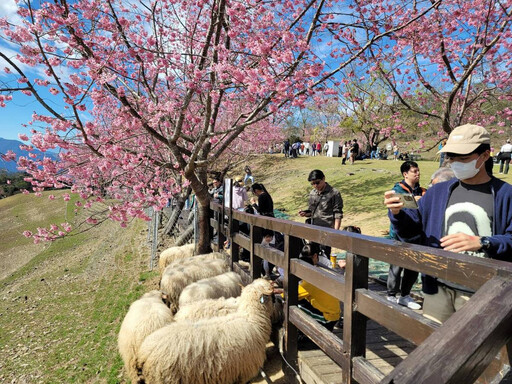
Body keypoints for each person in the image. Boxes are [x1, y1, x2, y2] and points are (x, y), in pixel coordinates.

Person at [384, 124, 512, 324]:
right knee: (433, 346)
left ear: (485, 155)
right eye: (452, 158)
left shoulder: (506, 194)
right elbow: (413, 232)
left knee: (474, 350)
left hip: (482, 291)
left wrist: (484, 241)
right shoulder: (438, 192)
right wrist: (397, 214)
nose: (455, 164)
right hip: (437, 287)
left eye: (463, 159)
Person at [385, 161, 426, 310]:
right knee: (396, 267)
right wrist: (414, 201)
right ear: (405, 174)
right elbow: (398, 201)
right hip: (399, 235)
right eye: (414, 171)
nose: (417, 173)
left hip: (417, 237)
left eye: (418, 170)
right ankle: (391, 294)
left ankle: (405, 295)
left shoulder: (422, 190)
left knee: (413, 268)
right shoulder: (398, 189)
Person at [299, 170, 343, 257]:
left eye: (317, 183)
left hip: (326, 229)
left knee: (324, 255)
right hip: (314, 229)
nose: (315, 186)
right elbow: (311, 211)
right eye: (313, 184)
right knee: (312, 254)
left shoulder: (334, 193)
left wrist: (335, 232)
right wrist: (305, 213)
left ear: (323, 179)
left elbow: (338, 214)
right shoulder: (312, 193)